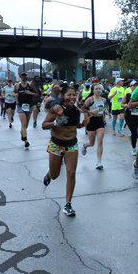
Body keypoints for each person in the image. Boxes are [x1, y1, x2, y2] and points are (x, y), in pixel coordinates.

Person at [42, 85, 88, 217]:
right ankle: (50, 173)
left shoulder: (76, 110)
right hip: (56, 144)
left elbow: (74, 125)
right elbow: (44, 125)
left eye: (74, 94)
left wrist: (82, 124)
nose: (72, 97)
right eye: (69, 95)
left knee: (71, 173)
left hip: (72, 145)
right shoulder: (56, 108)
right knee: (55, 175)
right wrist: (55, 123)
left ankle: (68, 204)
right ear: (63, 95)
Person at [81, 84, 107, 169]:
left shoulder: (103, 100)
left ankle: (99, 162)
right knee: (91, 143)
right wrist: (90, 112)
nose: (98, 90)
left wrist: (104, 118)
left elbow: (103, 110)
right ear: (93, 90)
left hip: (100, 122)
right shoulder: (90, 99)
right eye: (96, 89)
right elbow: (83, 109)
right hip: (91, 121)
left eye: (99, 89)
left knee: (100, 142)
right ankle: (85, 145)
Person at [15, 72, 39, 149]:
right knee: (23, 124)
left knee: (26, 125)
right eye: (22, 76)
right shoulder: (17, 85)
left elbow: (37, 94)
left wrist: (30, 93)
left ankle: (22, 133)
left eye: (25, 76)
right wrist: (16, 96)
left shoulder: (30, 85)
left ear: (27, 77)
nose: (24, 78)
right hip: (20, 106)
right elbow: (14, 92)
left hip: (29, 106)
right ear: (20, 77)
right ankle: (26, 141)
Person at [123, 80, 138, 156]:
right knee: (134, 132)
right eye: (134, 85)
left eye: (137, 85)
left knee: (137, 133)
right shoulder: (128, 95)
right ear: (131, 87)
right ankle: (134, 149)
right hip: (129, 116)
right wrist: (129, 105)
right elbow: (122, 104)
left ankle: (133, 138)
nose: (136, 87)